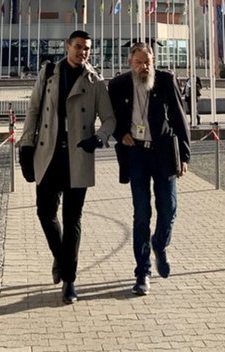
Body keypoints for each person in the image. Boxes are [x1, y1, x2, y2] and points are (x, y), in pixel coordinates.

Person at [19, 30, 115, 304]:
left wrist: (99, 138)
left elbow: (109, 119)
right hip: (48, 154)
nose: (82, 52)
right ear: (67, 47)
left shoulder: (95, 82)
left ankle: (70, 281)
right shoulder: (49, 73)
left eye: (87, 48)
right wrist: (26, 145)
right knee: (45, 212)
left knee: (73, 218)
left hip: (78, 157)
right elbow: (34, 110)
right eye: (78, 47)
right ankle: (61, 259)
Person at [108, 41, 190, 296]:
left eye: (148, 62)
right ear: (130, 64)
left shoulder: (165, 80)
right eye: (139, 62)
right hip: (136, 154)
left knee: (169, 207)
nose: (144, 67)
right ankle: (142, 271)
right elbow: (110, 117)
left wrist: (184, 156)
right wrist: (121, 134)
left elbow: (179, 116)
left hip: (163, 153)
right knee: (141, 213)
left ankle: (160, 244)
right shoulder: (118, 84)